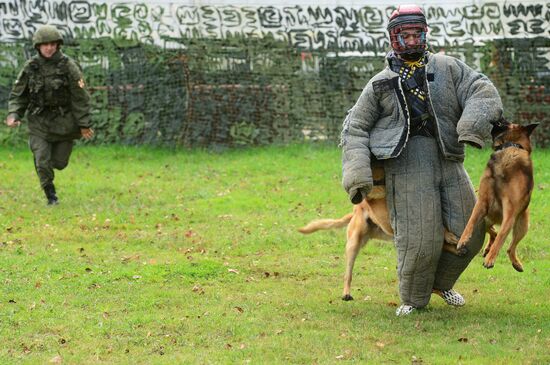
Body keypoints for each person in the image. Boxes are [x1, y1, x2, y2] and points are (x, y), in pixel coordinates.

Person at [340, 4, 503, 316]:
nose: (412, 40)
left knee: (473, 227)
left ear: (425, 33)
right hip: (405, 165)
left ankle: (441, 283)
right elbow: (355, 127)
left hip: (448, 159)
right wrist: (358, 175)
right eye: (405, 34)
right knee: (419, 237)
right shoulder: (379, 83)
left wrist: (470, 127)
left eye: (417, 33)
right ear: (393, 38)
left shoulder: (448, 67)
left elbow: (481, 90)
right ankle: (414, 299)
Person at [5, 25, 94, 205]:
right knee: (42, 160)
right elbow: (19, 95)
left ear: (58, 45)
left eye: (53, 44)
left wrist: (84, 124)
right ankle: (51, 196)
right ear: (38, 46)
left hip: (64, 123)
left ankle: (44, 164)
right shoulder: (31, 67)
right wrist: (14, 114)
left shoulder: (68, 66)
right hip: (39, 122)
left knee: (59, 163)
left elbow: (80, 97)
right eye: (45, 44)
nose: (49, 48)